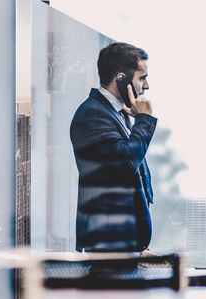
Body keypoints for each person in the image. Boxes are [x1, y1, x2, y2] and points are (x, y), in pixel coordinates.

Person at [70, 42, 156, 252]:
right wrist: (144, 119)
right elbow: (125, 163)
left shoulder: (115, 112)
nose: (146, 86)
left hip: (121, 241)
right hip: (109, 242)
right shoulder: (93, 115)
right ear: (121, 78)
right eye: (142, 78)